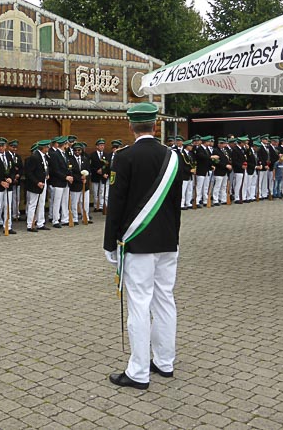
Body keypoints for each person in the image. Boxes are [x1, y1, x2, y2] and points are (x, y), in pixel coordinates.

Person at [103, 102, 183, 390]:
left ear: (130, 126)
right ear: (156, 125)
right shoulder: (173, 157)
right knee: (165, 300)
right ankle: (165, 361)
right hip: (168, 241)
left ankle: (138, 372)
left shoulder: (124, 157)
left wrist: (109, 243)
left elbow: (116, 205)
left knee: (139, 304)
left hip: (137, 243)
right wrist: (173, 236)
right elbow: (176, 203)